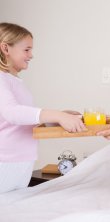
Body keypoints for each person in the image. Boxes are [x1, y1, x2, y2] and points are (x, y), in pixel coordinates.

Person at [0, 22, 87, 193]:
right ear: (5, 48)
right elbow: (11, 113)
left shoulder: (14, 81)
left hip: (21, 161)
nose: (31, 55)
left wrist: (56, 118)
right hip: (6, 160)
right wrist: (55, 115)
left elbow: (23, 120)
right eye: (26, 49)